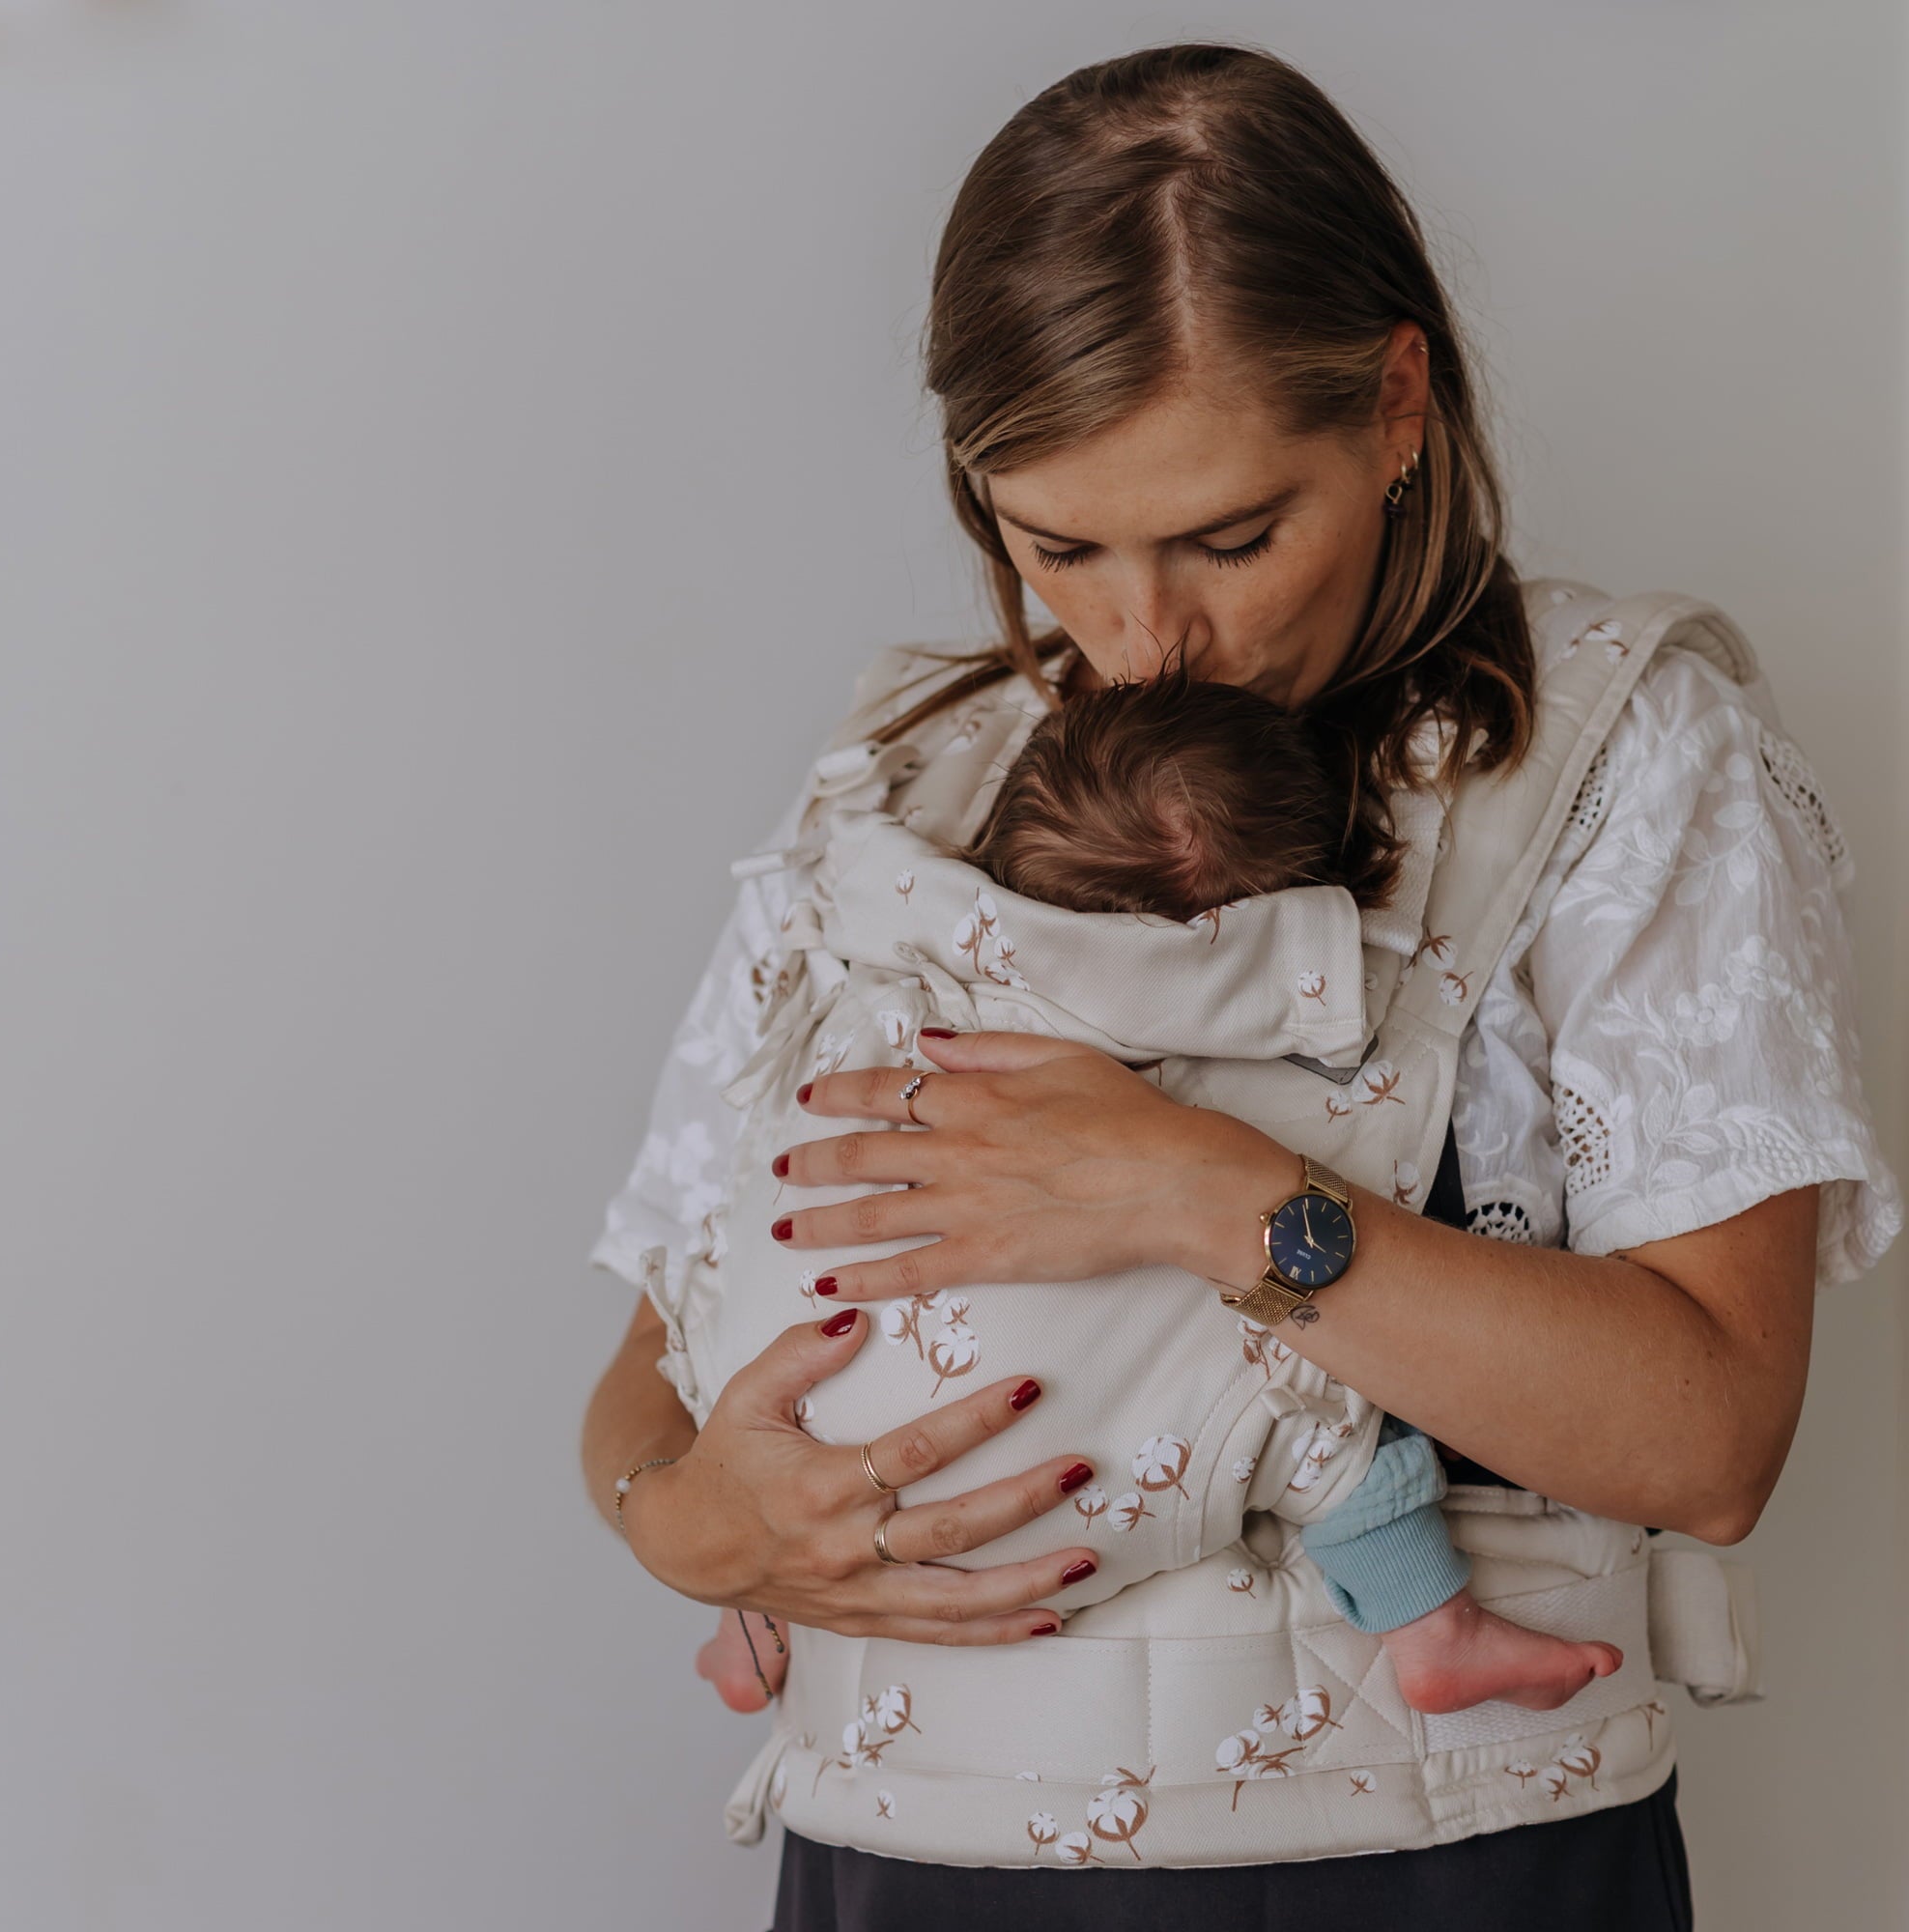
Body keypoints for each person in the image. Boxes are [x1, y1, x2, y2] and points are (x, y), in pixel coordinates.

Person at [581, 42, 1900, 1930]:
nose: (1139, 637)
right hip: (908, 1864)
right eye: (1058, 548)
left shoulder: (1622, 745)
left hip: (1436, 1878)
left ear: (1394, 403)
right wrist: (682, 1521)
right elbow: (649, 1354)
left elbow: (1705, 1447)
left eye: (1228, 536)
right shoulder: (894, 780)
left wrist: (1192, 1190)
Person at [682, 664, 1620, 1721]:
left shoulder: (877, 938)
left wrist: (694, 1510)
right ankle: (1428, 1624)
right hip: (1041, 1486)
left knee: (751, 1252)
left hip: (776, 1431)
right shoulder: (1243, 1029)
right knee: (1315, 1386)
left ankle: (753, 1620)